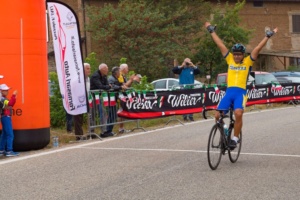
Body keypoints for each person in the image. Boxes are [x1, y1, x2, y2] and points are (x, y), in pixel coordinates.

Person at [205, 21, 278, 148]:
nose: (236, 56)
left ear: (243, 55)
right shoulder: (229, 59)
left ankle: (235, 138)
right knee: (217, 115)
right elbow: (220, 44)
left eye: (239, 54)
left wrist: (268, 36)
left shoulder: (247, 62)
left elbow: (257, 48)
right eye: (235, 54)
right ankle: (226, 129)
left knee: (238, 113)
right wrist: (211, 31)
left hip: (240, 93)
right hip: (229, 92)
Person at [90, 63, 113, 138]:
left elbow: (106, 85)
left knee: (103, 112)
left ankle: (104, 130)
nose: (107, 70)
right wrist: (107, 87)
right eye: (106, 69)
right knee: (92, 114)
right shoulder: (95, 76)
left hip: (98, 97)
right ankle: (92, 132)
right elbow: (100, 86)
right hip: (92, 97)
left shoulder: (104, 76)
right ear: (102, 69)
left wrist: (107, 86)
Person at [117, 63, 141, 133]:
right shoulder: (120, 75)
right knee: (121, 111)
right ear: (124, 69)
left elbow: (127, 85)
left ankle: (122, 128)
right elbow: (123, 86)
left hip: (124, 96)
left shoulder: (123, 75)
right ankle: (120, 128)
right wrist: (130, 80)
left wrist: (131, 80)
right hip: (121, 96)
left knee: (123, 111)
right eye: (127, 69)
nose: (128, 70)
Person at [107, 67, 128, 135]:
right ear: (116, 73)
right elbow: (112, 86)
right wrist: (121, 87)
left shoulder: (117, 78)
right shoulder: (111, 78)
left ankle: (109, 130)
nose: (120, 73)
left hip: (116, 98)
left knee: (113, 115)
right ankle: (108, 130)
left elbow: (121, 85)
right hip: (111, 98)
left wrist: (123, 86)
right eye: (119, 72)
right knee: (111, 114)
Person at [0, 84, 19, 157]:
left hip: (4, 117)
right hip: (5, 117)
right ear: (1, 91)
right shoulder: (2, 99)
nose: (7, 91)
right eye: (6, 90)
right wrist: (13, 95)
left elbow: (9, 104)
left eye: (7, 90)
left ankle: (1, 150)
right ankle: (9, 151)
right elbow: (10, 104)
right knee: (10, 134)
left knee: (4, 134)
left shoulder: (2, 98)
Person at [73, 63, 91, 140]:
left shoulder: (88, 78)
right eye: (87, 68)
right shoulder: (78, 79)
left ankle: (82, 134)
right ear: (82, 69)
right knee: (77, 118)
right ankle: (78, 136)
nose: (89, 70)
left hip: (85, 100)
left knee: (82, 118)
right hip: (78, 100)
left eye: (89, 68)